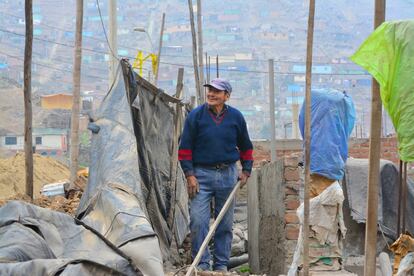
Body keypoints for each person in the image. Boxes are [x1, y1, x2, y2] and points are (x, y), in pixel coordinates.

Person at [178, 78, 253, 272]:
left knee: (225, 224)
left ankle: (221, 266)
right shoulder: (196, 116)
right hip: (200, 175)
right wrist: (189, 175)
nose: (211, 94)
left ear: (226, 96)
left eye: (216, 91)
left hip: (228, 174)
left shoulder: (236, 117)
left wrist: (246, 170)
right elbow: (184, 149)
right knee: (198, 220)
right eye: (210, 90)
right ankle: (202, 266)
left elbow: (246, 147)